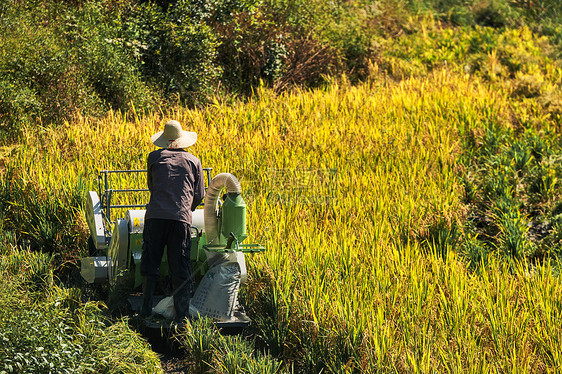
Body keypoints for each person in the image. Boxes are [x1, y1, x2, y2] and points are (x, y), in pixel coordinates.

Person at [140, 120, 205, 321]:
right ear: (182, 140)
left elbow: (152, 186)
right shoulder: (194, 161)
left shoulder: (154, 157)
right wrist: (187, 208)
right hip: (180, 220)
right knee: (180, 267)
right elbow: (200, 194)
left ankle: (145, 312)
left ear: (164, 141)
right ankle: (182, 317)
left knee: (150, 266)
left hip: (155, 218)